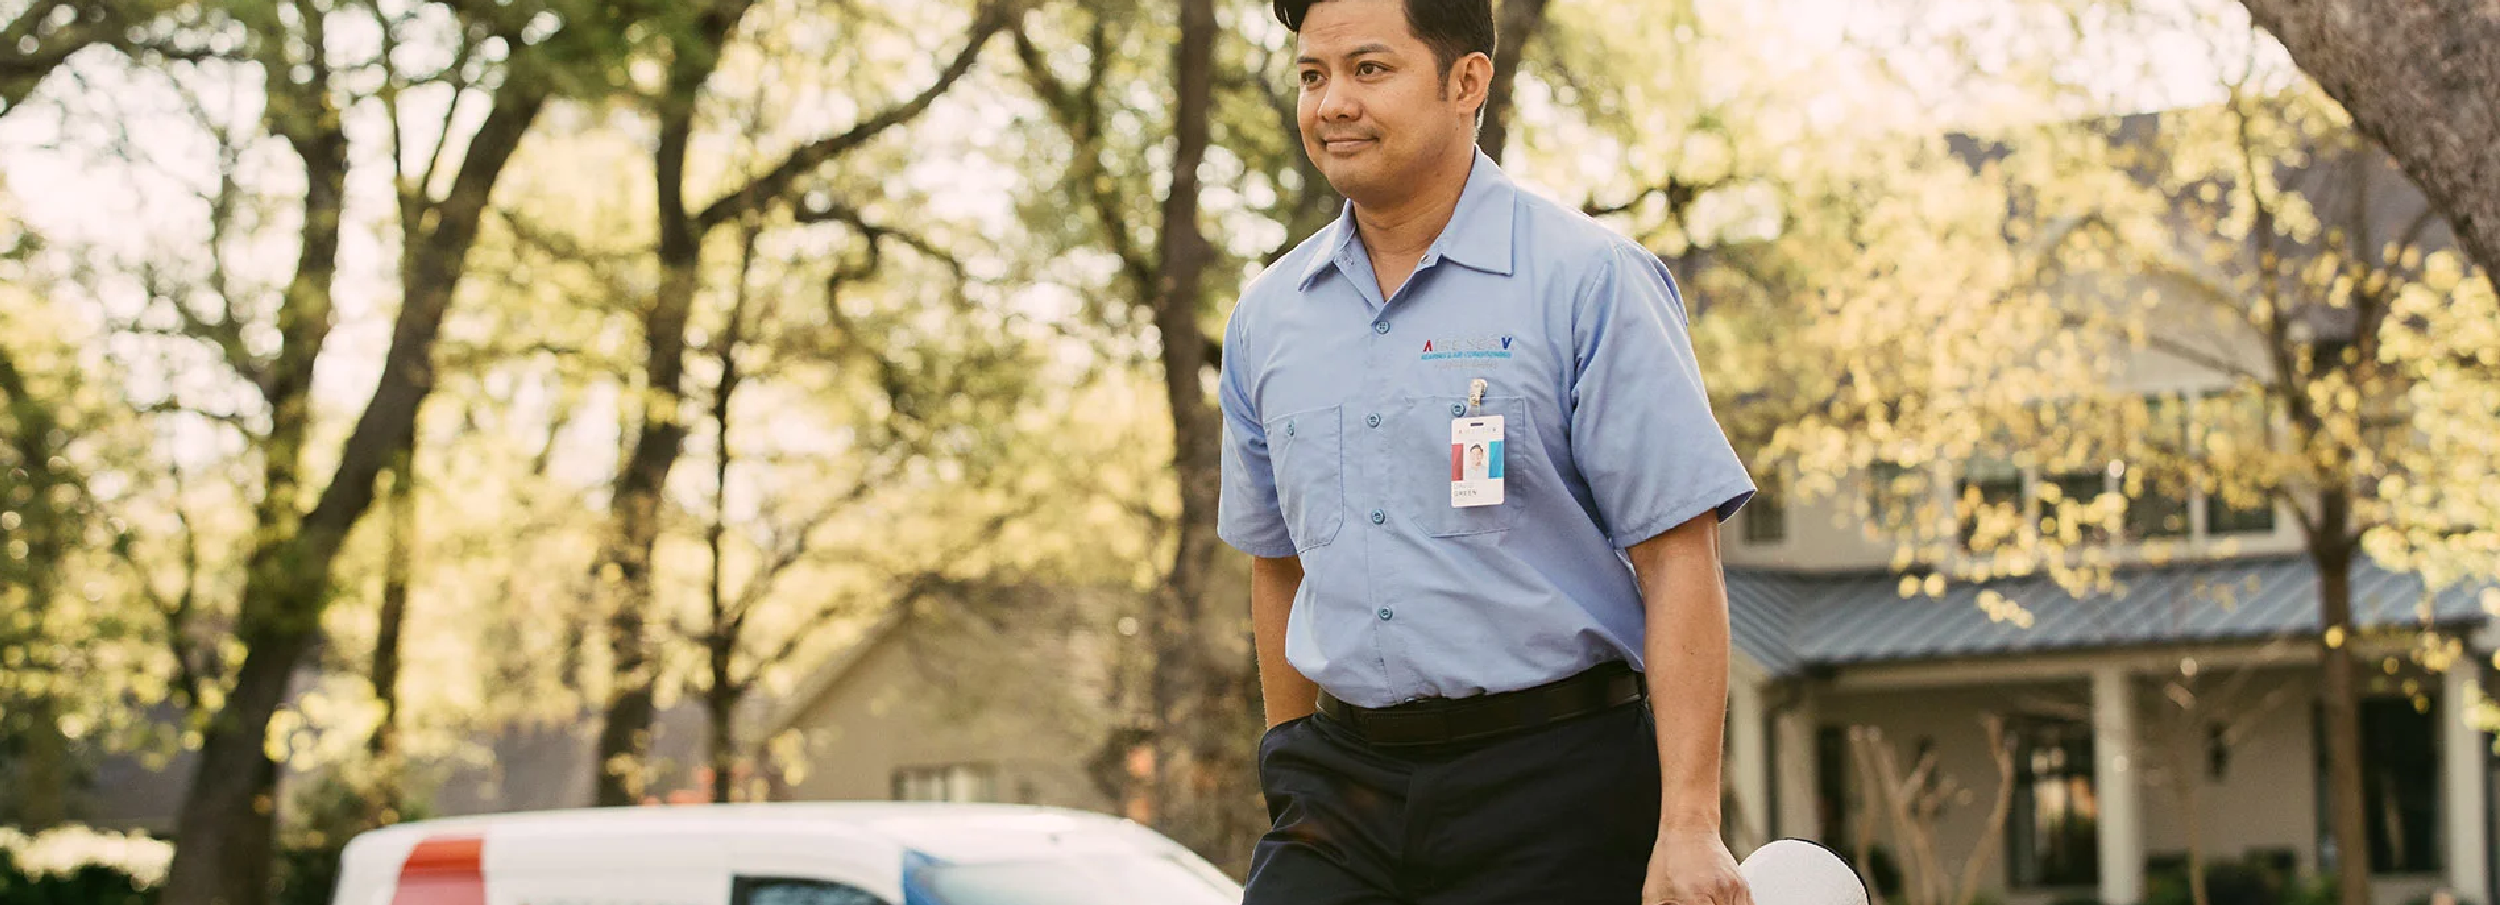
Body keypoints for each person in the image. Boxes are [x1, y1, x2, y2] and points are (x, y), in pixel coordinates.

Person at [1214, 0, 1760, 902]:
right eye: (1313, 76)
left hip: (1554, 786)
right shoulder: (1267, 318)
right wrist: (1289, 766)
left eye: (1369, 69)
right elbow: (1276, 564)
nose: (1332, 102)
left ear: (1467, 81)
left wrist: (1689, 824)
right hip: (1338, 796)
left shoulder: (1590, 282)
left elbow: (1678, 556)